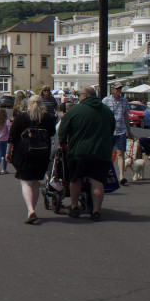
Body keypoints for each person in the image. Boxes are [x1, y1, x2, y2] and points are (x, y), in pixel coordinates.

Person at [57, 86, 115, 220]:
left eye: (79, 95)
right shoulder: (106, 111)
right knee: (97, 181)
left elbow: (63, 130)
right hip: (101, 152)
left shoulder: (75, 110)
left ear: (84, 96)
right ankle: (96, 211)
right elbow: (112, 129)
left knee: (75, 180)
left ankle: (74, 207)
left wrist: (62, 143)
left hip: (79, 152)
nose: (78, 97)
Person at [7, 95, 55, 224]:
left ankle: (30, 210)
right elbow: (51, 133)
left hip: (23, 153)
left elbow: (12, 136)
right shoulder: (47, 117)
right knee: (35, 182)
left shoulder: (22, 117)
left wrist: (8, 152)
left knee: (26, 182)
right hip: (42, 153)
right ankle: (32, 209)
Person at [101, 83, 135, 185]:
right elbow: (102, 116)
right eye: (116, 88)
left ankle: (121, 176)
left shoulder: (124, 101)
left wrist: (129, 131)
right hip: (109, 131)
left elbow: (126, 116)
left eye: (120, 88)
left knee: (120, 153)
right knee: (108, 154)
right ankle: (106, 174)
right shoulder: (105, 100)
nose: (118, 90)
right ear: (112, 89)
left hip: (121, 130)